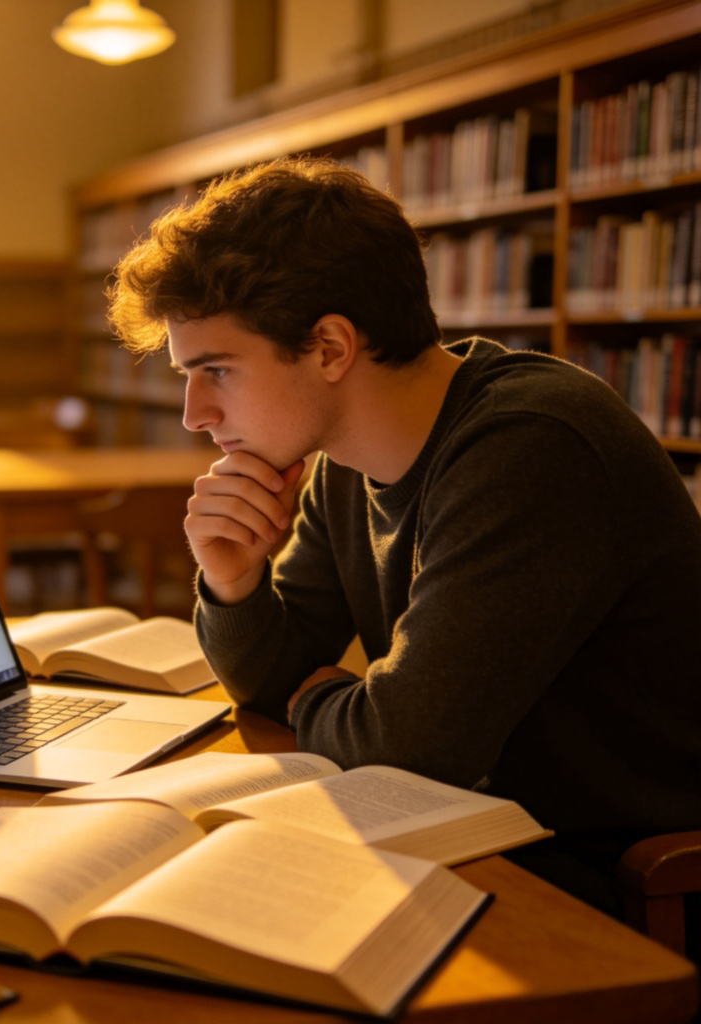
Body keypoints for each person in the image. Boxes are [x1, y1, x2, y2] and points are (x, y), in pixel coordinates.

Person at [106, 155, 701, 923]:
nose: (194, 413)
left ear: (329, 347)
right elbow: (277, 685)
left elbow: (404, 745)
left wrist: (320, 694)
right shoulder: (342, 465)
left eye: (215, 369)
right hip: (475, 829)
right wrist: (234, 583)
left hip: (614, 878)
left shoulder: (532, 444)